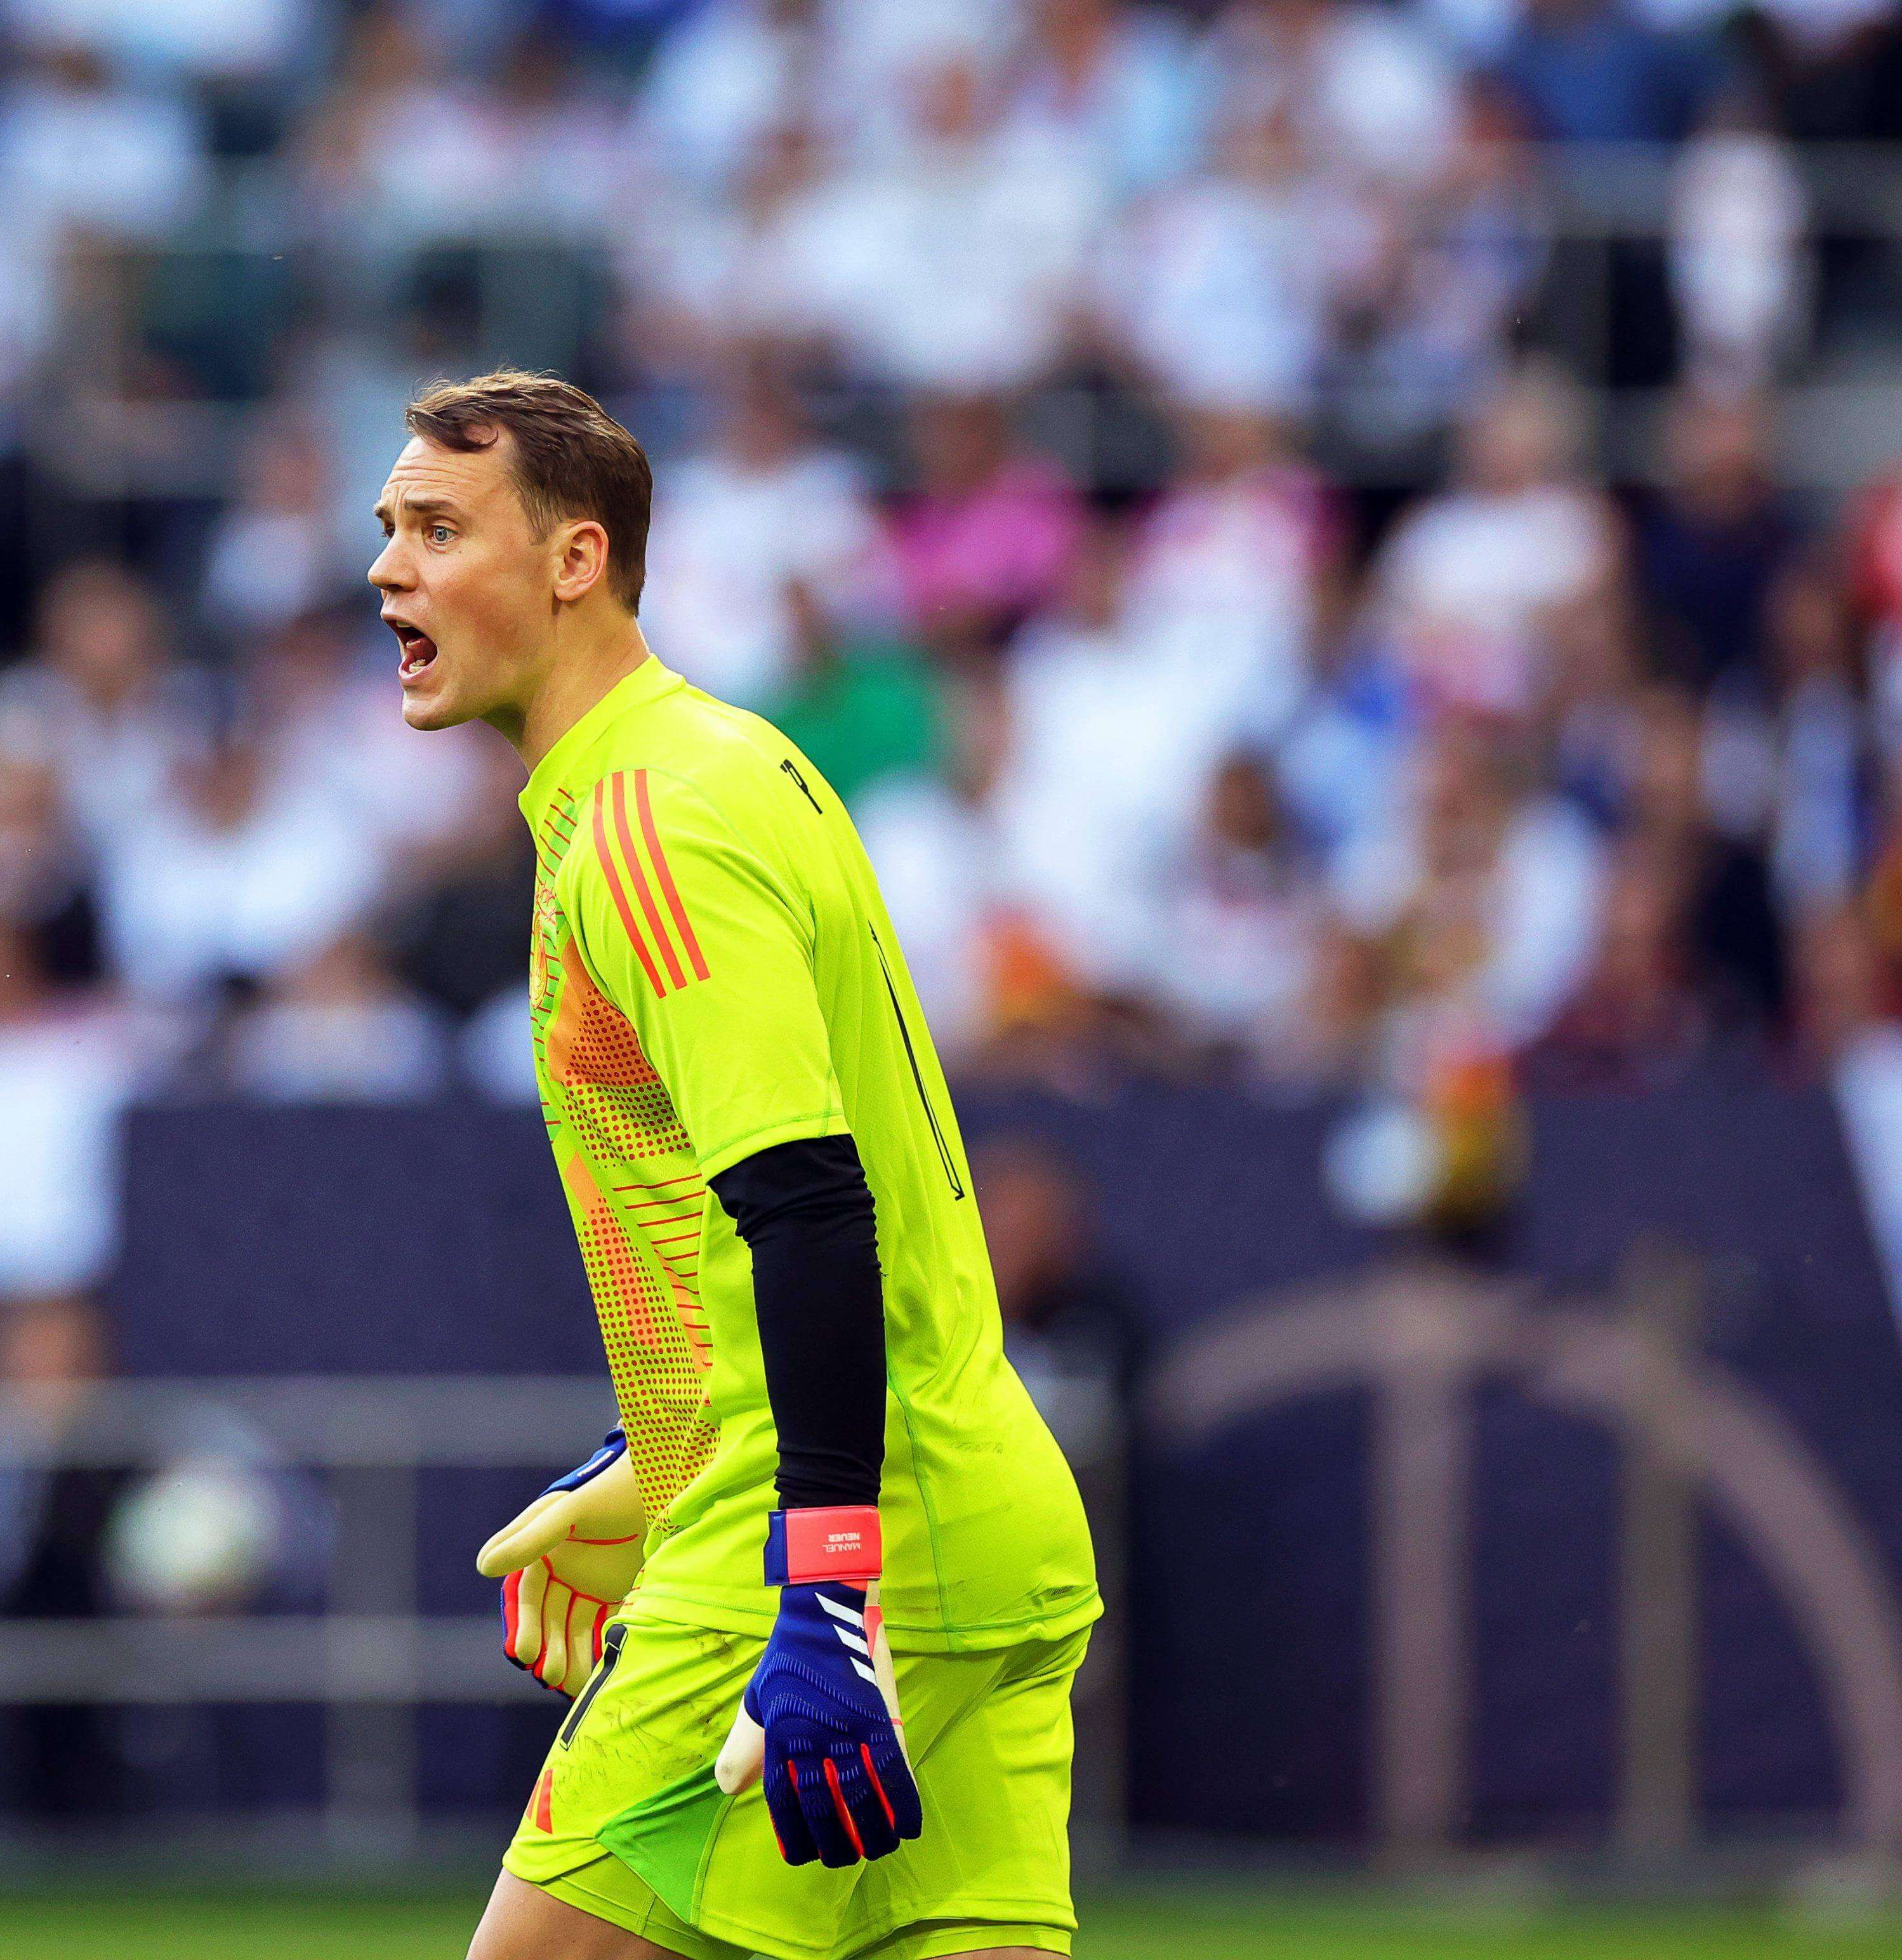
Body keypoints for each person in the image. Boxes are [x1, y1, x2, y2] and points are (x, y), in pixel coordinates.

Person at [369, 371, 1097, 1960]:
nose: (387, 569)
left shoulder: (649, 820)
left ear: (575, 559)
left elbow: (809, 1204)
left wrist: (822, 1582)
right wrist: (658, 1451)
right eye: (389, 529)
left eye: (436, 529)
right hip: (975, 1515)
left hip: (827, 1554)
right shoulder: (723, 761)